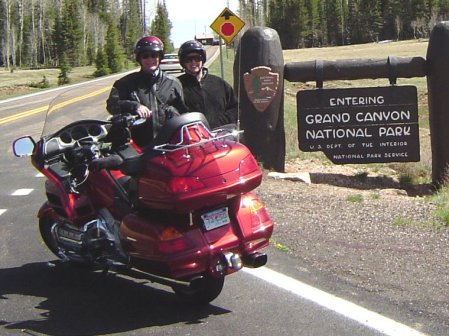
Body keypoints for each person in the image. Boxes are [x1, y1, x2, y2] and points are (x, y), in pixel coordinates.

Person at [106, 36, 186, 147]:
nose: (150, 60)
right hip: (136, 146)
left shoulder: (173, 83)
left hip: (169, 145)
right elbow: (111, 105)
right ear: (139, 59)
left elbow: (184, 111)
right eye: (145, 56)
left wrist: (173, 113)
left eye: (154, 55)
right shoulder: (124, 83)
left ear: (160, 57)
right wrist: (134, 106)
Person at [177, 40, 238, 130]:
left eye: (197, 58)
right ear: (183, 62)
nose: (193, 62)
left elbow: (235, 107)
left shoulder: (219, 84)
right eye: (188, 60)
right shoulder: (177, 85)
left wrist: (221, 122)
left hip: (221, 135)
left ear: (203, 59)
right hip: (192, 137)